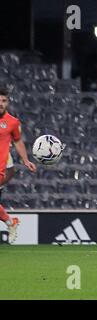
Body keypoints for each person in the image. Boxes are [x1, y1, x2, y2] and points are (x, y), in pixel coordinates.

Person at [0, 88, 37, 243]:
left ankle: (10, 221)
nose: (0, 104)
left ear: (8, 102)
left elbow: (18, 141)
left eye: (4, 101)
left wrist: (26, 160)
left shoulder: (13, 122)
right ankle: (10, 222)